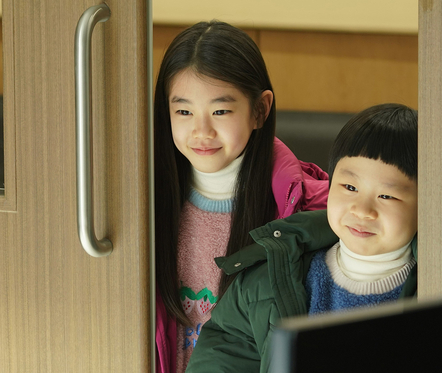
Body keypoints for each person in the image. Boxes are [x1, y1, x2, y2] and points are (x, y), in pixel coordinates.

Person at [186, 103, 419, 373]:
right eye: (350, 187)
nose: (362, 210)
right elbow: (222, 357)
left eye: (387, 196)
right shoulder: (265, 281)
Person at [154, 20, 329, 373]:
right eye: (184, 111)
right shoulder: (142, 199)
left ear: (260, 110)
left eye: (220, 111)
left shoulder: (309, 212)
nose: (201, 131)